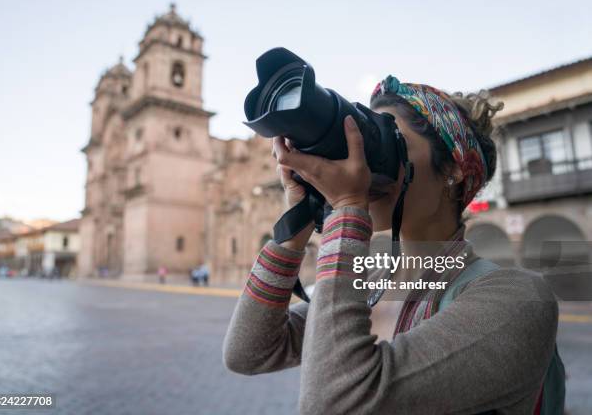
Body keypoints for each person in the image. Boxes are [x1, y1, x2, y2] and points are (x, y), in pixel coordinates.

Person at [223, 78, 563, 414]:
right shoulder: (370, 283)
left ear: (453, 170)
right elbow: (249, 351)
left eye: (389, 142)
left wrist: (347, 204)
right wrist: (300, 214)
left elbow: (335, 402)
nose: (364, 165)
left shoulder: (517, 297)